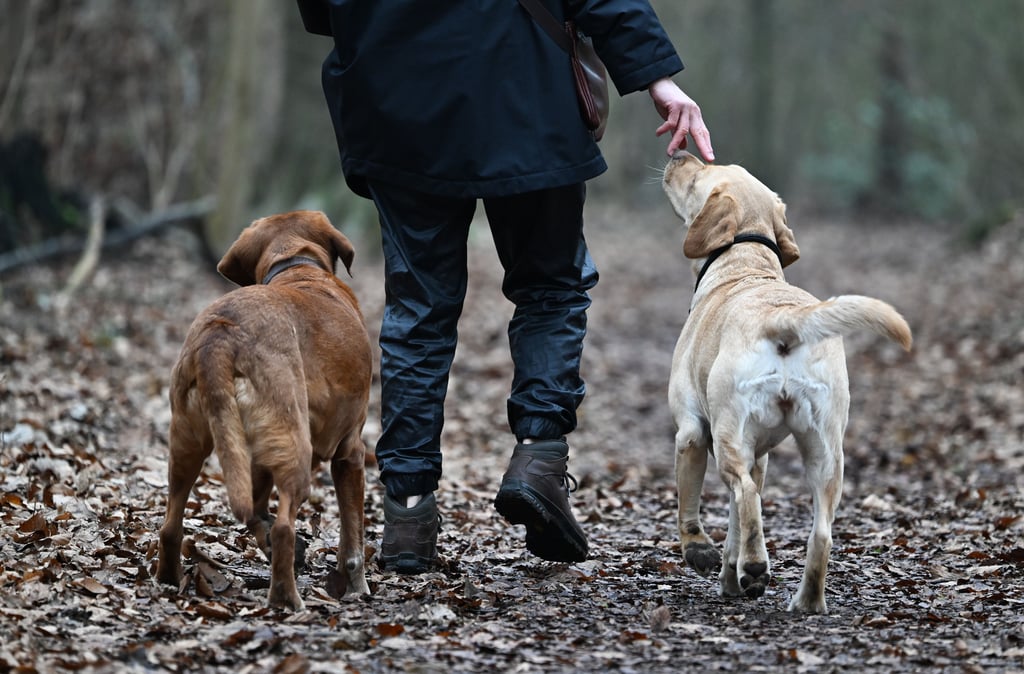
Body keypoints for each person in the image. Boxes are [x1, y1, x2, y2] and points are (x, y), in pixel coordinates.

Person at [297, 0, 715, 574]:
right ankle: (539, 459)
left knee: (419, 310)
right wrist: (656, 78)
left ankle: (408, 513)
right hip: (527, 90)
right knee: (551, 288)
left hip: (399, 104)